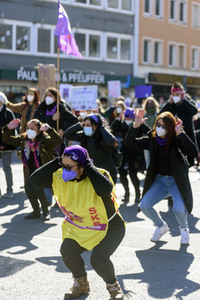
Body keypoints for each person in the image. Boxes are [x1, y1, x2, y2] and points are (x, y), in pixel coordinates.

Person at [30, 145, 125, 299]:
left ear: (82, 166)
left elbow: (104, 190)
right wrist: (58, 161)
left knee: (99, 260)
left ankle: (113, 286)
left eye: (69, 167)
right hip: (81, 227)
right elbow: (35, 179)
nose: (64, 170)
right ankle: (81, 284)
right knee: (67, 251)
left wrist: (88, 165)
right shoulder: (60, 177)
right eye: (63, 165)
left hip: (110, 227)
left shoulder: (98, 175)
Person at [125, 109, 197, 245]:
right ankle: (161, 226)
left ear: (170, 127)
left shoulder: (176, 139)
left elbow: (192, 151)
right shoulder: (152, 140)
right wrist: (135, 126)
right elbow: (130, 143)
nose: (160, 128)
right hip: (159, 181)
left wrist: (180, 133)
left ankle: (184, 229)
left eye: (163, 126)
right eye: (158, 125)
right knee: (144, 205)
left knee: (179, 209)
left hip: (176, 182)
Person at [2, 118, 63, 220]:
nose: (29, 130)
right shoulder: (24, 140)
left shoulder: (45, 140)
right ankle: (36, 211)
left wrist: (49, 130)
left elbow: (58, 140)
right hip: (28, 170)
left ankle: (45, 212)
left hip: (41, 171)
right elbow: (7, 140)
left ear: (39, 130)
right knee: (29, 191)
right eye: (28, 128)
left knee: (39, 190)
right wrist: (8, 129)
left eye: (32, 128)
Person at [63, 113, 118, 184]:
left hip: (107, 172)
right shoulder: (84, 136)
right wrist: (79, 125)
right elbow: (67, 135)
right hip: (92, 173)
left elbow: (112, 141)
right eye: (85, 125)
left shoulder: (104, 137)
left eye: (88, 125)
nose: (86, 127)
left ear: (96, 126)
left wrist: (101, 127)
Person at [111, 108, 147, 203]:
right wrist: (118, 120)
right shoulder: (121, 124)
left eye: (130, 119)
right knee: (122, 173)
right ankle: (126, 193)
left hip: (135, 152)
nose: (128, 121)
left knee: (133, 174)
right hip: (123, 152)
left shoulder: (138, 125)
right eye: (126, 118)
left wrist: (140, 123)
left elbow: (149, 131)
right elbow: (111, 130)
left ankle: (138, 194)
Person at [160, 81, 198, 166]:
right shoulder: (170, 105)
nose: (175, 97)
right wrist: (169, 103)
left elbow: (194, 111)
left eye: (177, 95)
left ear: (182, 95)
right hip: (173, 137)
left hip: (187, 135)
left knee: (189, 162)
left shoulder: (187, 102)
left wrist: (184, 100)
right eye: (173, 95)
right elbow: (161, 114)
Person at [0, 91, 15, 198]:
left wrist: (3, 143)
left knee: (7, 168)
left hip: (6, 146)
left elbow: (12, 131)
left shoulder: (8, 113)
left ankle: (10, 190)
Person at [142, 96, 160, 168]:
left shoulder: (157, 114)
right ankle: (148, 172)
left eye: (151, 103)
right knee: (147, 158)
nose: (149, 104)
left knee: (155, 156)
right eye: (148, 103)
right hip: (145, 138)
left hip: (156, 137)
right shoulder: (143, 114)